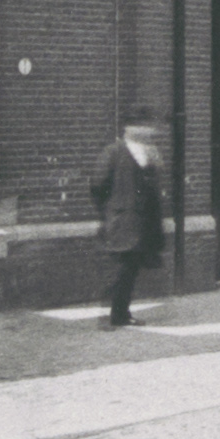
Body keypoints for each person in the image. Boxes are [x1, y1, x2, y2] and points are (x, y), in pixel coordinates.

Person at [90, 114, 167, 328]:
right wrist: (110, 211)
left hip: (143, 224)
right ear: (129, 129)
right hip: (122, 221)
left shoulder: (149, 153)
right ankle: (113, 316)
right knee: (120, 269)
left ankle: (121, 314)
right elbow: (98, 185)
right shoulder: (113, 152)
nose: (148, 131)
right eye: (142, 126)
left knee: (130, 269)